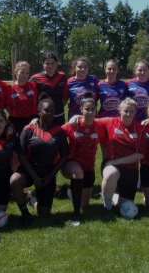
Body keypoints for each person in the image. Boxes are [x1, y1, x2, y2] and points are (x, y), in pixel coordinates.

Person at [10, 93, 69, 226]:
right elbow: (21, 154)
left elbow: (64, 155)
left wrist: (51, 176)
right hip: (29, 171)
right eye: (46, 110)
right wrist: (34, 176)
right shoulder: (28, 129)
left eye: (52, 111)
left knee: (44, 214)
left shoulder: (59, 132)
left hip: (48, 173)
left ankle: (31, 199)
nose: (49, 113)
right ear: (39, 111)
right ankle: (25, 213)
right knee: (14, 180)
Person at [60, 92, 107, 226]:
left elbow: (117, 120)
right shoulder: (73, 124)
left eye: (93, 109)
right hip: (71, 164)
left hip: (89, 167)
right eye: (87, 109)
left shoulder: (99, 126)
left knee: (84, 204)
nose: (90, 112)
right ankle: (76, 214)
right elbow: (56, 133)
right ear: (81, 109)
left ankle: (65, 190)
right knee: (77, 172)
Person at [98, 98, 144, 218]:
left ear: (135, 112)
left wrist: (119, 161)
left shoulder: (140, 128)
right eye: (126, 111)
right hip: (111, 164)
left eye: (131, 111)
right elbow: (90, 120)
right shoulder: (109, 122)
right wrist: (76, 117)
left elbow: (140, 154)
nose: (128, 114)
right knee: (111, 174)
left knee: (125, 205)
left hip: (131, 168)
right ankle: (107, 207)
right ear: (120, 110)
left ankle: (111, 195)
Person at [30, 52, 68, 126]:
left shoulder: (62, 76)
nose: (50, 66)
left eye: (52, 63)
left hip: (58, 114)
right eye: (47, 63)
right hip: (42, 115)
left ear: (56, 63)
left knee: (59, 136)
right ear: (42, 64)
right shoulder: (35, 78)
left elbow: (65, 95)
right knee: (42, 136)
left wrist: (59, 105)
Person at [5, 61, 38, 133]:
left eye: (27, 73)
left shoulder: (33, 86)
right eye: (22, 72)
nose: (25, 75)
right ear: (16, 72)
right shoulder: (9, 88)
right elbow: (4, 103)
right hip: (16, 121)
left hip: (32, 120)